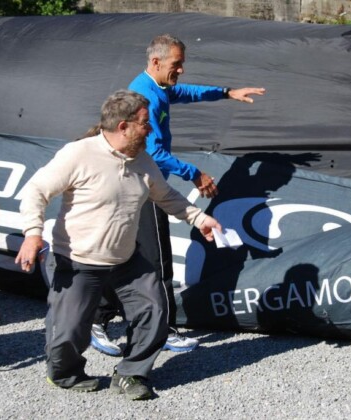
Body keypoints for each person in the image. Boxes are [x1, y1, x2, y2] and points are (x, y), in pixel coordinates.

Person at [15, 89, 221, 399]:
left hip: (127, 260)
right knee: (68, 332)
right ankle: (64, 374)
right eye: (144, 123)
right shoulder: (79, 154)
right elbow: (36, 191)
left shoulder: (143, 160)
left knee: (154, 309)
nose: (149, 129)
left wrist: (199, 218)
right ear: (123, 126)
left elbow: (166, 196)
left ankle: (131, 373)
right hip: (78, 259)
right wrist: (33, 234)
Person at [90, 34, 265, 355]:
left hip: (137, 186)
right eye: (177, 64)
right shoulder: (145, 97)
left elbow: (185, 92)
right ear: (156, 62)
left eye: (182, 63)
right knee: (158, 262)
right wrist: (194, 173)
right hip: (143, 189)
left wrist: (226, 92)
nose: (181, 70)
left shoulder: (156, 87)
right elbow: (154, 151)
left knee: (127, 257)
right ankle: (162, 330)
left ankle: (97, 316)